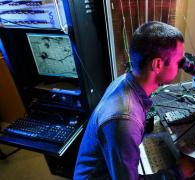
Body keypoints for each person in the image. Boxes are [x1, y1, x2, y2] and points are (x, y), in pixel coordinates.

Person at [74, 21, 186, 180]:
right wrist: (179, 172)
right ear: (158, 64)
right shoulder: (125, 120)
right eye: (178, 61)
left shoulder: (124, 81)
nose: (181, 66)